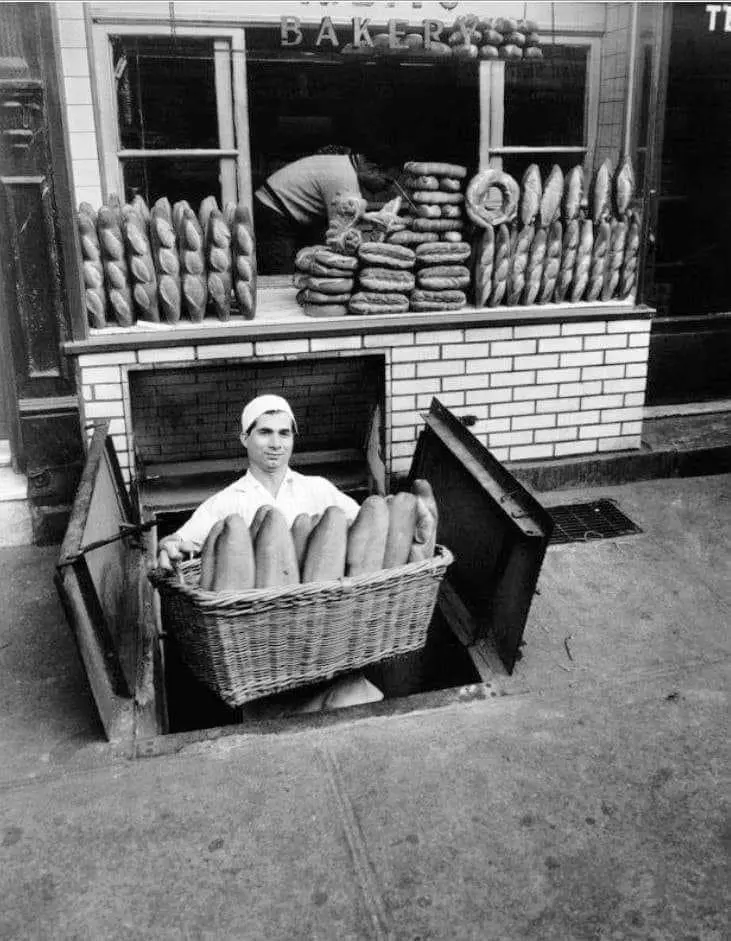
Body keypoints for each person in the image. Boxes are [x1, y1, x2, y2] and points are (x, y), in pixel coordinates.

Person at [157, 393, 360, 569]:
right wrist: (168, 546)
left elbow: (363, 524)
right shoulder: (225, 502)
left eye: (284, 433)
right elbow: (179, 540)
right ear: (245, 439)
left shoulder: (318, 489)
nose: (276, 444)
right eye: (265, 433)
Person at [253, 148, 395, 273]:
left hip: (280, 205)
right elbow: (340, 236)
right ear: (372, 170)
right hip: (272, 210)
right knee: (280, 272)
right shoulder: (345, 182)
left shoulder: (345, 164)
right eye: (387, 181)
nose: (386, 188)